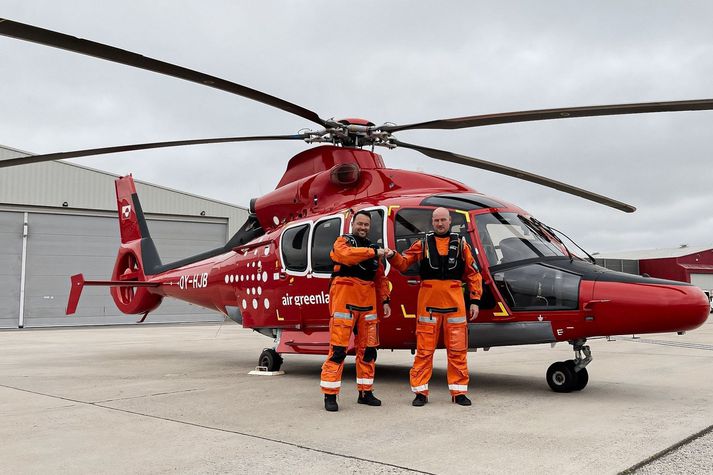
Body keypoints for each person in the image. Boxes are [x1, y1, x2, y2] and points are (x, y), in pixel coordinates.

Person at [387, 207, 482, 406]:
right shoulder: (422, 244)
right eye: (436, 220)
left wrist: (474, 300)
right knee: (424, 351)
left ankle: (459, 392)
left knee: (457, 352)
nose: (440, 224)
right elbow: (404, 263)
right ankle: (420, 392)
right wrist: (391, 255)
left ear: (450, 221)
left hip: (455, 307)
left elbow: (473, 274)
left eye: (443, 220)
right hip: (428, 308)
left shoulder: (462, 244)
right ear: (433, 222)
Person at [320, 210, 391, 412]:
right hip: (344, 301)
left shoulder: (373, 248)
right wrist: (373, 252)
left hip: (368, 304)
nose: (363, 228)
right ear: (352, 224)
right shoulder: (342, 242)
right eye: (359, 224)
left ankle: (365, 392)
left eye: (366, 225)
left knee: (369, 351)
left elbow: (380, 278)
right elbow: (346, 257)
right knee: (338, 350)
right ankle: (330, 394)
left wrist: (385, 300)